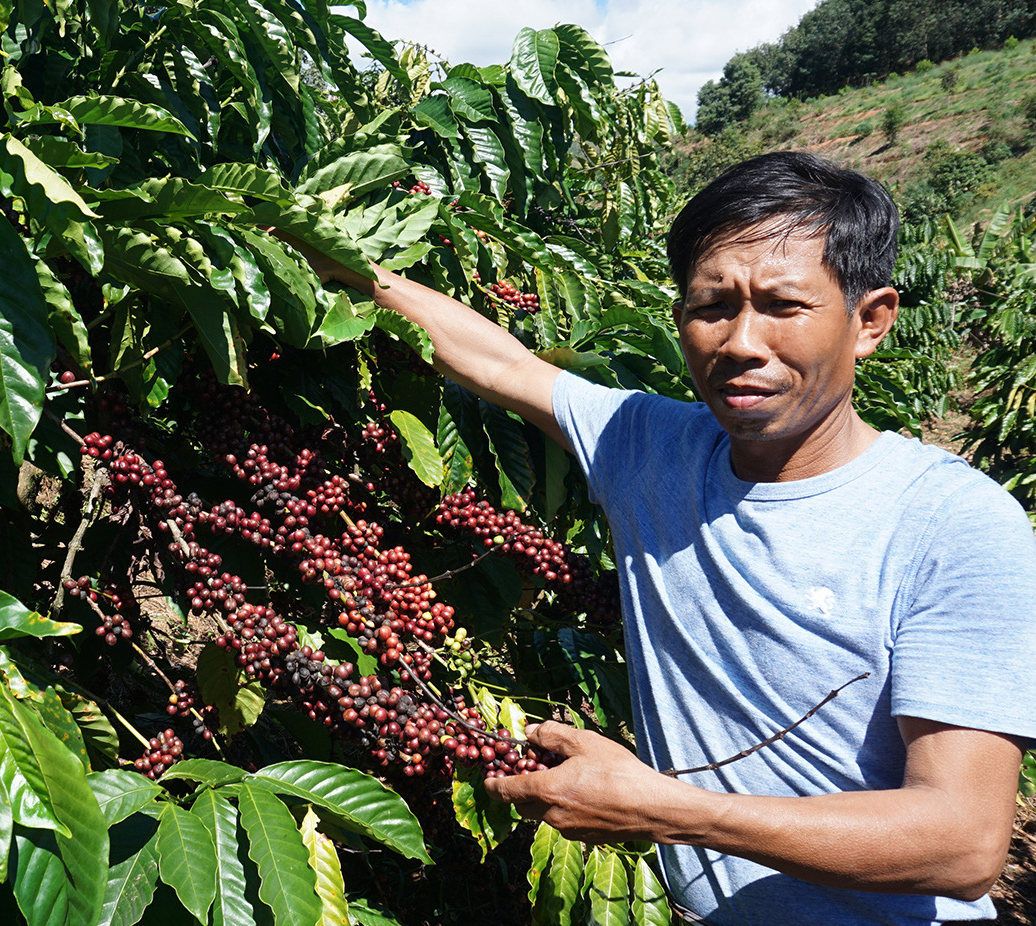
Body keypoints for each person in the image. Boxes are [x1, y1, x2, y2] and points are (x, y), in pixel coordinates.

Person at [291, 151, 1036, 925]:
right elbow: (495, 361)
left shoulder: (953, 524)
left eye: (784, 306)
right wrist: (317, 250)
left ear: (871, 320)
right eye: (712, 306)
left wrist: (674, 811)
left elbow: (962, 843)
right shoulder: (652, 448)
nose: (741, 341)